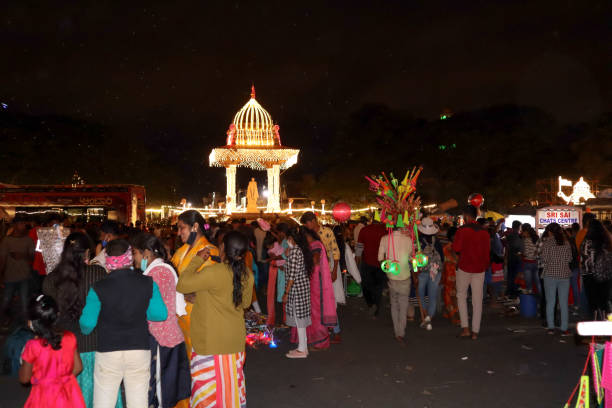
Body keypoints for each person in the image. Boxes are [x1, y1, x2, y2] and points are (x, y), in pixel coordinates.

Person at [79, 239, 168, 408]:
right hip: (138, 349)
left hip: (108, 351)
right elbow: (160, 314)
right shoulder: (147, 283)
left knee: (104, 402)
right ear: (129, 258)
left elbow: (87, 324)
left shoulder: (98, 287)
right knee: (138, 401)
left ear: (107, 260)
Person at [42, 232, 122, 408]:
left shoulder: (51, 280)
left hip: (65, 349)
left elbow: (50, 316)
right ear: (87, 253)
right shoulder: (98, 274)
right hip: (97, 345)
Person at [176, 231, 254, 407]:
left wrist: (197, 260)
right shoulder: (247, 274)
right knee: (231, 391)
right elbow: (245, 303)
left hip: (209, 342)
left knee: (207, 395)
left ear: (223, 248)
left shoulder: (213, 271)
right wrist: (206, 296)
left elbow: (182, 284)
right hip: (234, 341)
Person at [132, 233, 191, 408]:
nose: (132, 258)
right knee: (166, 390)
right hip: (172, 338)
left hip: (158, 341)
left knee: (156, 391)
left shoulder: (151, 276)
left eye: (135, 253)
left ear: (146, 254)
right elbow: (180, 308)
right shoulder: (169, 269)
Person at [19, 295, 85, 408]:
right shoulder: (70, 337)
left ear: (31, 322)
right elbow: (78, 367)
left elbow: (24, 378)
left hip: (44, 396)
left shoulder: (33, 346)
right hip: (68, 393)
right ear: (57, 315)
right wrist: (61, 380)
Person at [171, 210, 219, 359]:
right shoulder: (182, 250)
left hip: (198, 317)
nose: (179, 233)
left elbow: (211, 286)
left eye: (182, 228)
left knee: (199, 363)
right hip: (181, 316)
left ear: (195, 226)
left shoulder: (209, 251)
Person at [292, 228, 338, 350]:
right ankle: (314, 339)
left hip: (316, 282)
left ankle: (320, 342)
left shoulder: (315, 245)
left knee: (316, 311)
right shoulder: (316, 243)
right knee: (313, 311)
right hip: (314, 280)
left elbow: (315, 261)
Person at [301, 211, 343, 342]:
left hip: (329, 269)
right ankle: (324, 328)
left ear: (313, 221)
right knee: (319, 302)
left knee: (330, 301)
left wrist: (334, 271)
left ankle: (336, 330)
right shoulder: (308, 236)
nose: (307, 227)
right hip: (315, 273)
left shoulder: (327, 232)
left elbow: (335, 251)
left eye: (307, 224)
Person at [453, 206, 490, 340]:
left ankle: (465, 328)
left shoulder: (462, 230)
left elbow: (456, 248)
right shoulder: (484, 232)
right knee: (477, 300)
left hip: (465, 267)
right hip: (480, 268)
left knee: (461, 296)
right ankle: (475, 331)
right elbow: (487, 253)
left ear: (466, 216)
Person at [378, 226, 413, 343]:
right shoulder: (408, 240)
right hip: (405, 276)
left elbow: (380, 258)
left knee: (394, 304)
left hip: (392, 276)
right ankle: (401, 332)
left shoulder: (384, 238)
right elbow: (412, 257)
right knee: (403, 304)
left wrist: (388, 266)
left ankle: (396, 331)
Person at [283, 228, 313, 358]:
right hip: (300, 288)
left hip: (297, 289)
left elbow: (292, 275)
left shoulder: (296, 251)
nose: (286, 241)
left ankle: (302, 350)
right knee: (299, 317)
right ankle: (303, 347)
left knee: (299, 317)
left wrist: (286, 292)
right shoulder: (297, 250)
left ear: (292, 239)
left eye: (288, 239)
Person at [0, 217, 34, 327]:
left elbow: (32, 258)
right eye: (21, 223)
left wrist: (22, 256)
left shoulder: (28, 240)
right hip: (10, 276)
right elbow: (2, 259)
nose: (23, 226)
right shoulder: (6, 240)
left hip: (24, 276)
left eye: (24, 223)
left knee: (24, 302)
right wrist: (1, 276)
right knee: (6, 300)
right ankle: (4, 319)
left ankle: (24, 325)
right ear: (14, 225)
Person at [540, 223, 572, 335]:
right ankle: (564, 328)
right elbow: (569, 259)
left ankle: (551, 327)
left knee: (550, 302)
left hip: (550, 275)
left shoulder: (547, 243)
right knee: (563, 303)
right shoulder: (566, 243)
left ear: (550, 232)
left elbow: (544, 259)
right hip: (564, 275)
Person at [416, 217, 444, 330]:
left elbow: (414, 258)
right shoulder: (436, 241)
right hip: (435, 270)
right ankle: (429, 317)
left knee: (421, 293)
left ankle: (424, 315)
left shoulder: (417, 241)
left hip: (422, 271)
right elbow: (442, 257)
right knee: (432, 295)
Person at [580, 219, 612, 318]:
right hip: (605, 275)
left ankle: (594, 324)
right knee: (604, 301)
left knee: (592, 302)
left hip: (589, 275)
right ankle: (605, 323)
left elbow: (583, 259)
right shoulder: (607, 240)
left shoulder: (586, 242)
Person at [355, 219, 387, 317]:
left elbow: (359, 248)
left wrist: (357, 261)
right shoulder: (385, 230)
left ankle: (370, 303)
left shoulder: (364, 230)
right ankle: (376, 305)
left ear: (372, 220)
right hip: (381, 263)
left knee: (366, 285)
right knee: (379, 286)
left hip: (367, 262)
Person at [442, 227, 460, 326]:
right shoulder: (451, 247)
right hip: (451, 274)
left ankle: (452, 314)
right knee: (452, 296)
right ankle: (454, 317)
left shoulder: (447, 247)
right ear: (453, 236)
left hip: (451, 274)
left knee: (452, 296)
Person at [505, 220, 524, 299]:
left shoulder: (509, 236)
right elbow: (519, 249)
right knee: (516, 276)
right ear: (518, 227)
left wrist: (505, 258)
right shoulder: (519, 236)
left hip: (510, 258)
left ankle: (510, 292)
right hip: (517, 259)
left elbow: (507, 247)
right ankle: (514, 293)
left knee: (510, 276)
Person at [521, 224, 541, 295]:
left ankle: (530, 302)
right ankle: (540, 301)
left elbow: (526, 253)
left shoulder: (526, 240)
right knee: (537, 283)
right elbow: (537, 252)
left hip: (527, 263)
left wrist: (521, 254)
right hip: (536, 263)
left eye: (523, 231)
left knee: (529, 285)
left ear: (526, 232)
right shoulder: (537, 239)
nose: (522, 233)